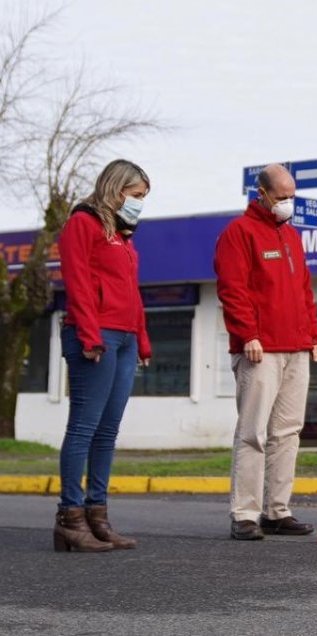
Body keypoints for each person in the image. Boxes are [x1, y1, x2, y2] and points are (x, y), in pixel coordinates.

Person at [214, 164, 317, 541]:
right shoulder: (239, 233)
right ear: (260, 193)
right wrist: (248, 335)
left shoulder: (292, 237)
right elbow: (233, 289)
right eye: (281, 198)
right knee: (252, 433)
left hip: (296, 348)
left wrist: (313, 335)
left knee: (288, 432)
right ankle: (245, 513)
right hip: (260, 349)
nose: (287, 204)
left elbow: (305, 292)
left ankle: (278, 511)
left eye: (292, 197)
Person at [54, 159, 152, 552]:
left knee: (107, 432)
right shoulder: (82, 223)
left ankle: (98, 516)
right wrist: (90, 335)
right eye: (137, 195)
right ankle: (70, 518)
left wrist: (142, 340)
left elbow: (132, 293)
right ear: (116, 188)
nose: (140, 204)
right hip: (93, 336)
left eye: (144, 197)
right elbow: (76, 281)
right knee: (84, 427)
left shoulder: (123, 237)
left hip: (125, 339)